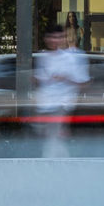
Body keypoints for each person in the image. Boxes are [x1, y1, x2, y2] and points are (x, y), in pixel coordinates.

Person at [35, 24, 90, 159]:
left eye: (59, 37)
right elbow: (39, 80)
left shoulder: (72, 57)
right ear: (46, 39)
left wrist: (65, 78)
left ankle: (54, 165)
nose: (55, 41)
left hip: (62, 104)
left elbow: (83, 82)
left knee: (53, 140)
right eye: (52, 37)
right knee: (52, 140)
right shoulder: (42, 57)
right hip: (44, 105)